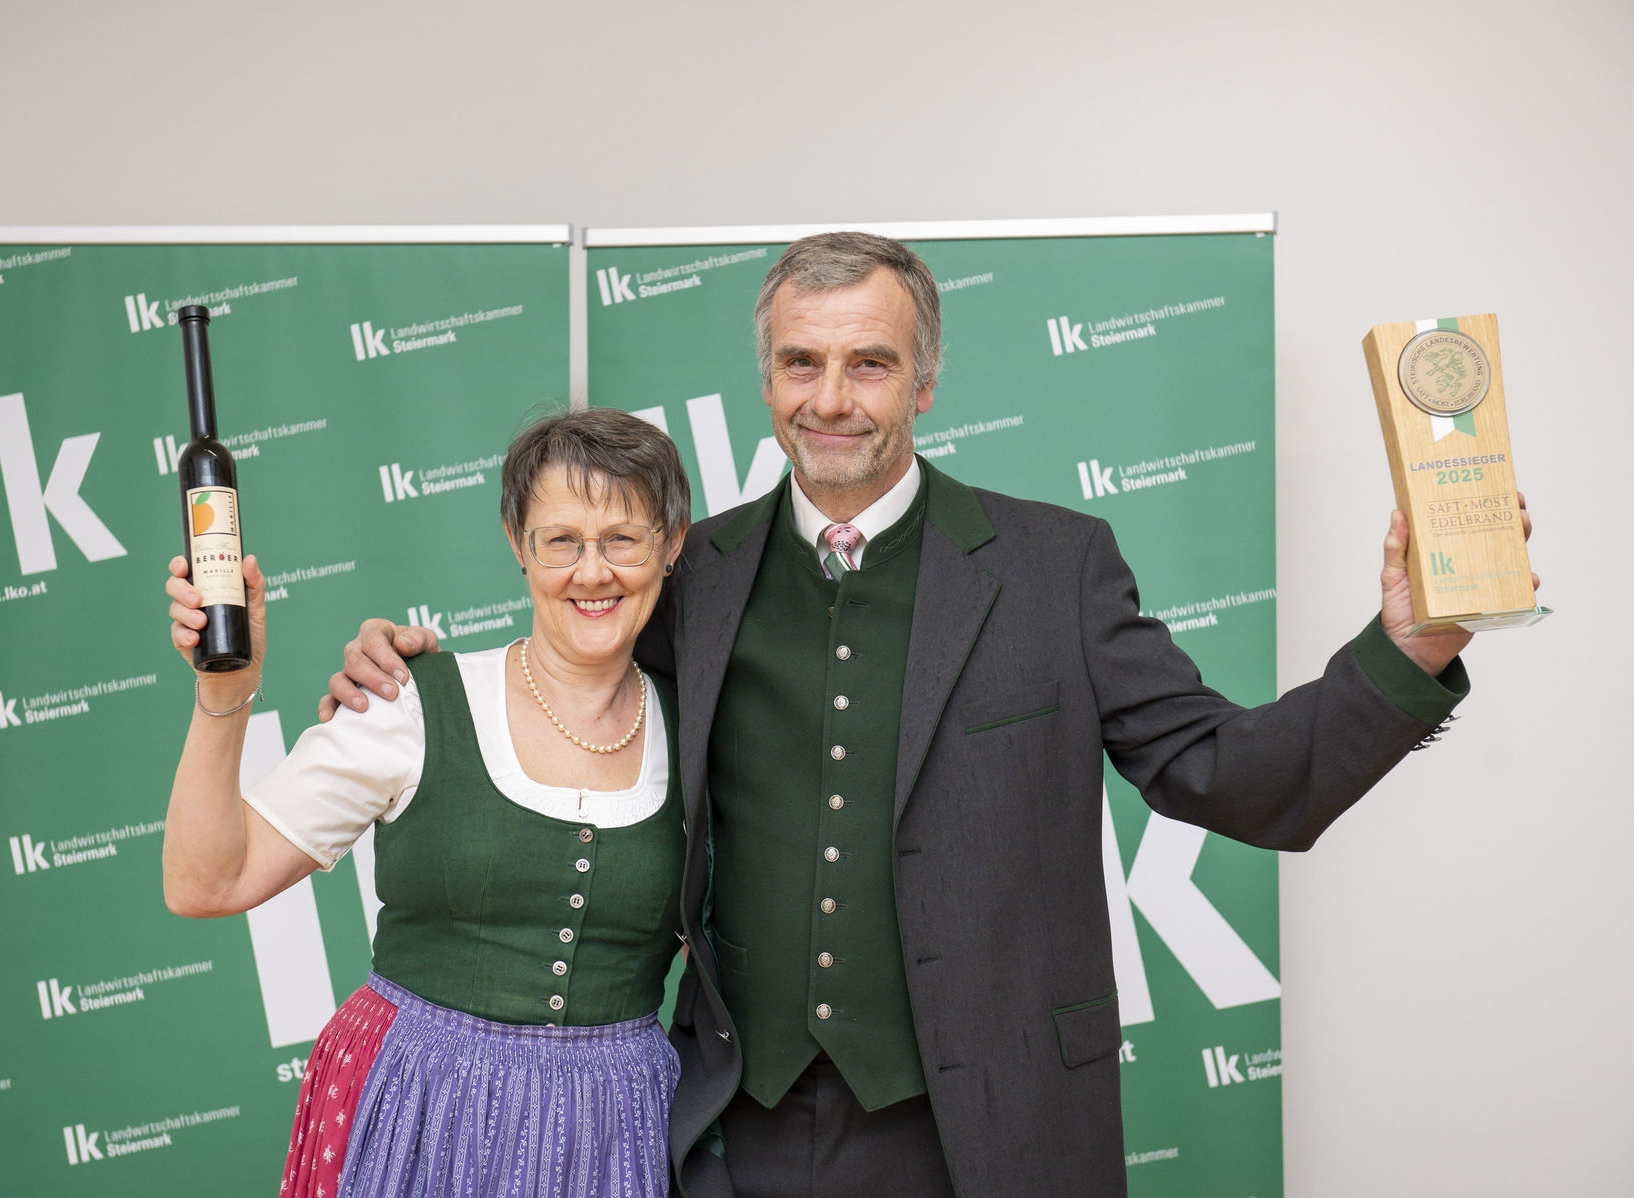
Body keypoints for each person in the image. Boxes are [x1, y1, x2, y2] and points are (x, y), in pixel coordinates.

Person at [321, 233, 1535, 1198]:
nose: (831, 397)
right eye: (802, 362)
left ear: (927, 376)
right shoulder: (695, 574)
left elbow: (1235, 772)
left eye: (869, 363)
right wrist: (409, 674)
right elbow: (566, 676)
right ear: (766, 378)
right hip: (730, 1134)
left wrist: (1411, 642)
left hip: (986, 1137)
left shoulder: (1059, 567)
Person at [162, 407, 692, 1198]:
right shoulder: (409, 703)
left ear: (670, 546)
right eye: (561, 541)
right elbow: (208, 881)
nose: (592, 572)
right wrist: (224, 689)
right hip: (417, 1110)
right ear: (518, 545)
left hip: (615, 1132)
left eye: (622, 538)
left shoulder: (706, 729)